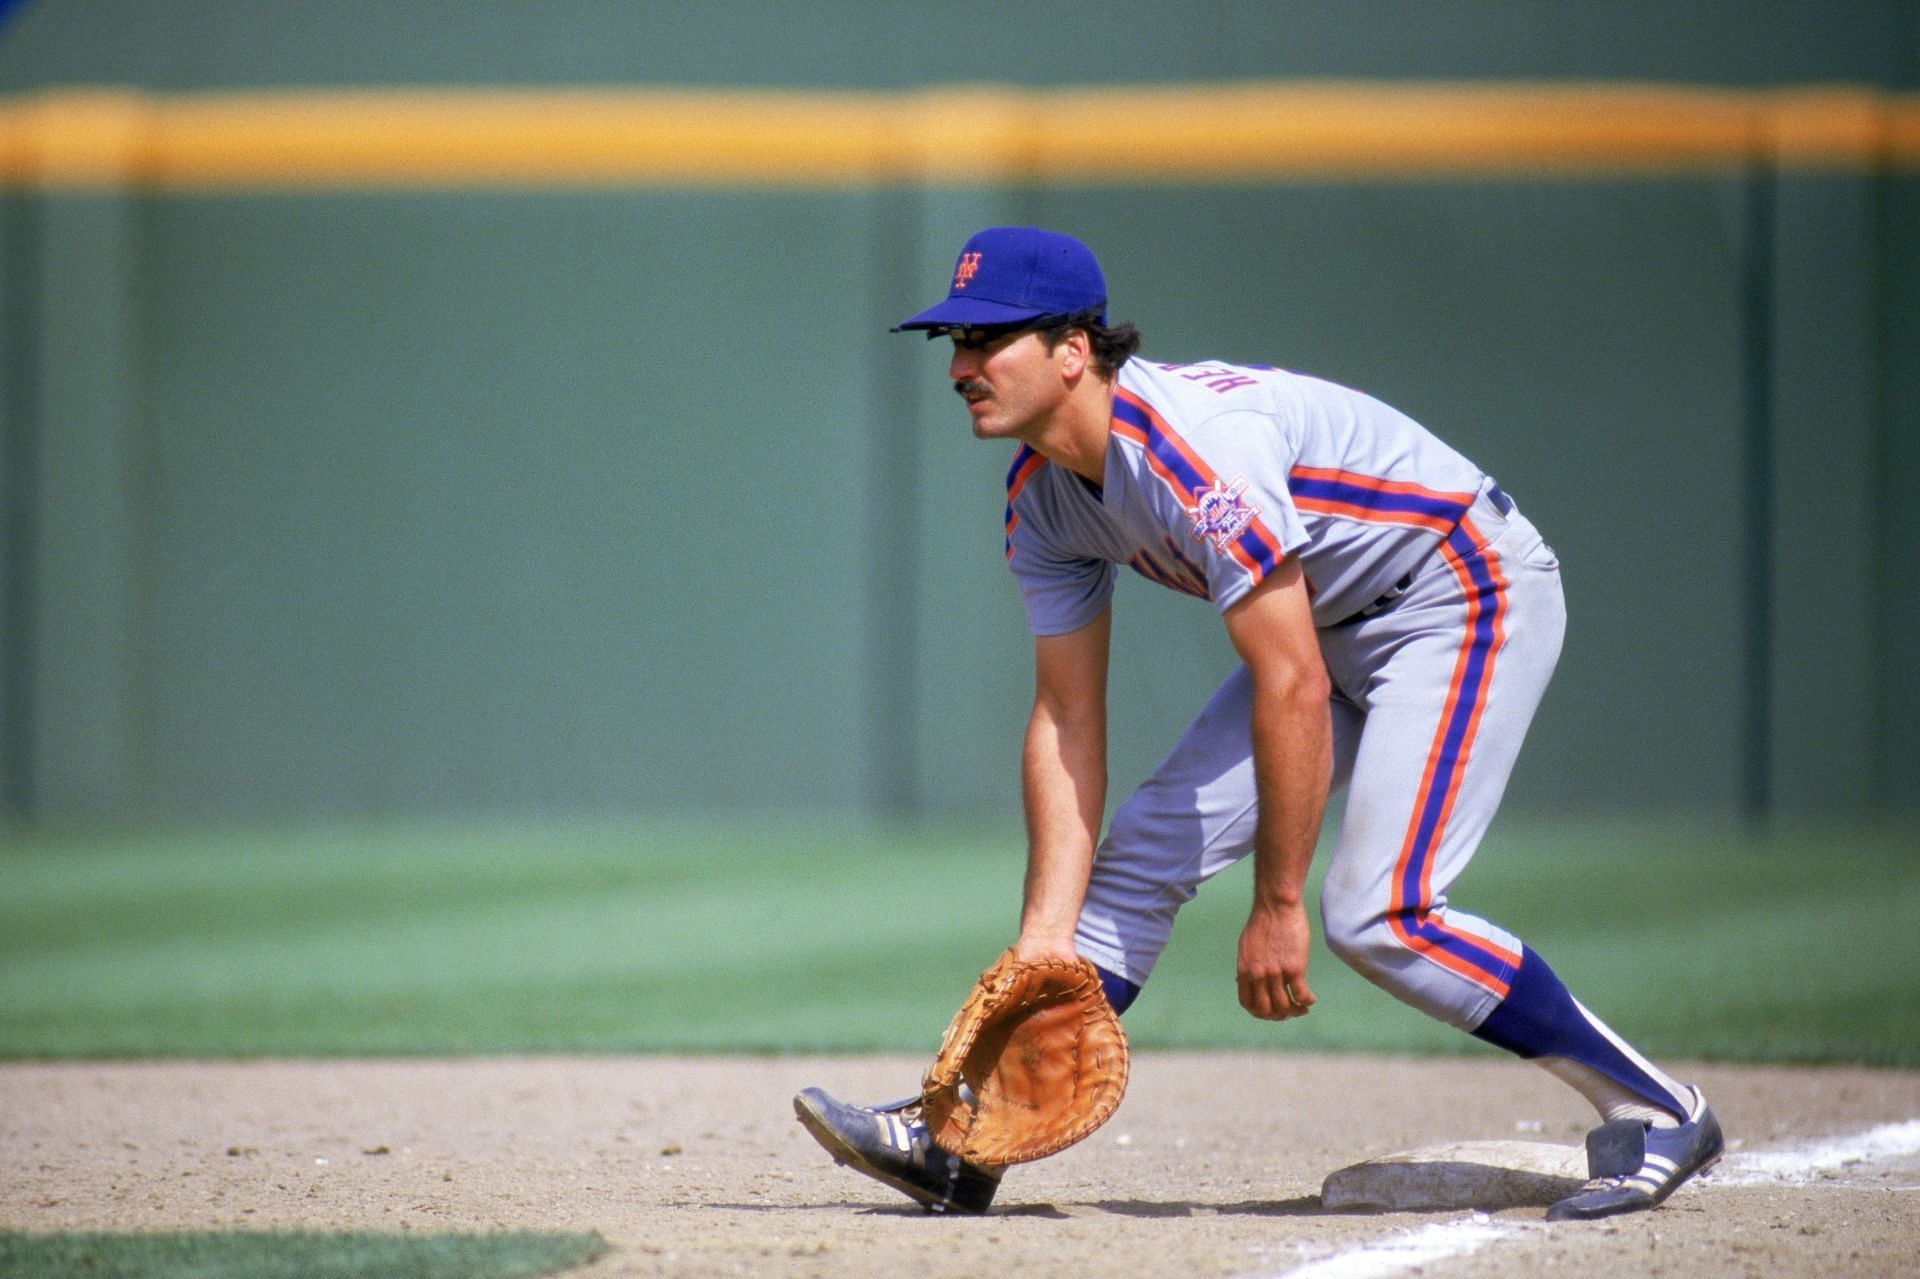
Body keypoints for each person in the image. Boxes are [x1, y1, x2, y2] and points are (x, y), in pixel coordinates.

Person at [794, 226, 1722, 1221]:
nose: (962, 366)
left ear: (1074, 348)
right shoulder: (1043, 499)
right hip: (1329, 626)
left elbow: (1287, 682)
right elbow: (1067, 717)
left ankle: (1661, 1108)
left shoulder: (1197, 454)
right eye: (952, 343)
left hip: (1458, 593)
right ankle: (957, 1139)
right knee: (1128, 874)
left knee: (1376, 913)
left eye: (987, 340)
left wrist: (1277, 902)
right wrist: (1042, 940)